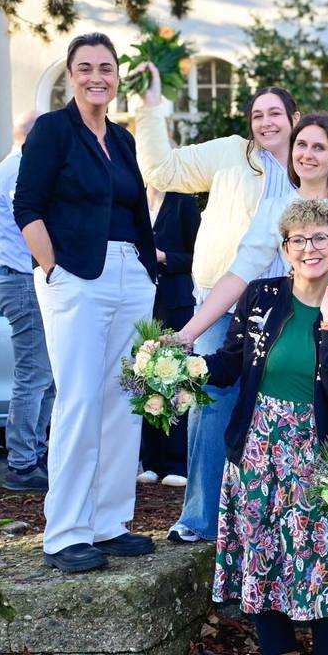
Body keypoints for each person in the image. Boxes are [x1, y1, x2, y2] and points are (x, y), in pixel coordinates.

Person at [205, 200, 328, 655]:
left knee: (327, 583)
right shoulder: (261, 296)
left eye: (320, 237)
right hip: (256, 458)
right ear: (285, 248)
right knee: (265, 579)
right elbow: (230, 363)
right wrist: (183, 361)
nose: (309, 248)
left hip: (320, 463)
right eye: (298, 239)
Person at [134, 63, 300, 545]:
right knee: (209, 404)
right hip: (220, 303)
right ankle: (199, 519)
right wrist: (151, 108)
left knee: (276, 408)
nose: (265, 122)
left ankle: (265, 523)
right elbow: (162, 169)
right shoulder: (230, 154)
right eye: (257, 115)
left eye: (275, 113)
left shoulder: (309, 167)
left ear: (294, 118)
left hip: (286, 307)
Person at [13, 33, 158, 574]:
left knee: (124, 398)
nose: (97, 76)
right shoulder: (53, 130)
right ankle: (66, 531)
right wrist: (52, 266)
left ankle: (109, 522)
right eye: (86, 67)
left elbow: (134, 209)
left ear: (117, 76)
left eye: (106, 67)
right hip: (75, 274)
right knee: (78, 399)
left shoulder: (122, 139)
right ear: (71, 76)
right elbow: (27, 206)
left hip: (130, 275)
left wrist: (144, 263)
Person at [173, 112, 328, 345]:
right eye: (301, 145)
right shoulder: (275, 209)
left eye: (319, 147)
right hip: (304, 331)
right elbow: (238, 275)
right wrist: (186, 334)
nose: (307, 154)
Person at [0, 109, 53, 492]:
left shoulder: (13, 165)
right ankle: (22, 463)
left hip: (22, 276)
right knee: (34, 374)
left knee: (45, 374)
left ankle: (36, 452)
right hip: (21, 278)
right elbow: (30, 223)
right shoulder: (19, 170)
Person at [137, 186, 201, 487]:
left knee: (177, 378)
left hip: (176, 303)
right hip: (141, 304)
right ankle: (151, 461)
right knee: (145, 377)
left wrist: (165, 257)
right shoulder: (133, 199)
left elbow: (198, 257)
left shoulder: (184, 203)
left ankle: (177, 462)